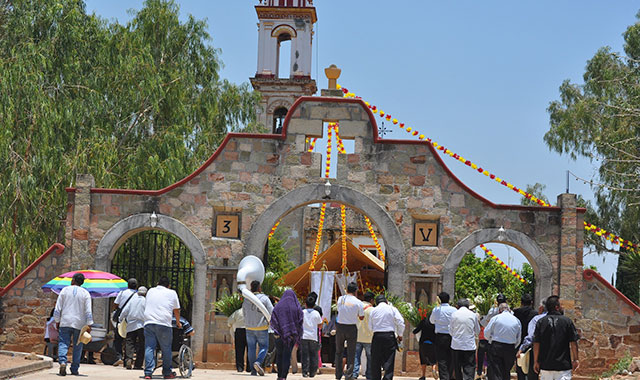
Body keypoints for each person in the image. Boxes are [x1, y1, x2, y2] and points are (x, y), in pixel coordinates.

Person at [54, 272, 93, 376]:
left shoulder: (64, 290)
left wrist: (57, 320)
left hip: (65, 321)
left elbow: (57, 308)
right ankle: (74, 368)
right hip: (79, 324)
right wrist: (89, 325)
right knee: (78, 345)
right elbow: (88, 311)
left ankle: (62, 362)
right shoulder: (85, 293)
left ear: (73, 280)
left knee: (63, 343)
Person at [143, 276, 181, 380]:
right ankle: (167, 373)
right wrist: (178, 322)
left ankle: (148, 373)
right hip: (164, 323)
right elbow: (176, 310)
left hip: (149, 322)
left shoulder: (150, 291)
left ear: (157, 283)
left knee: (149, 347)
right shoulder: (172, 293)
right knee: (166, 348)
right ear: (168, 286)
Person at [533, 296, 579, 380]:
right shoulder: (567, 321)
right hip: (563, 366)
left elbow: (536, 343)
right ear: (557, 307)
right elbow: (573, 342)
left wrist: (536, 361)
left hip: (546, 365)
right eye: (561, 305)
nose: (563, 307)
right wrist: (575, 359)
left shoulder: (541, 322)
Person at [368, 294, 405, 380]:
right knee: (389, 359)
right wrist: (400, 335)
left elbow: (370, 326)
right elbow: (401, 322)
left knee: (375, 360)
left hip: (377, 336)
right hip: (389, 336)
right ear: (386, 301)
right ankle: (387, 378)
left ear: (376, 303)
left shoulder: (373, 311)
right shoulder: (392, 309)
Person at [271, 289, 303, 380]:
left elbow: (273, 319)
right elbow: (300, 320)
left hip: (279, 336)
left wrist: (279, 330)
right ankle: (284, 376)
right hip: (291, 336)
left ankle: (279, 375)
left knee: (280, 354)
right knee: (287, 355)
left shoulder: (278, 306)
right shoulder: (296, 307)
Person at [244, 280, 274, 376]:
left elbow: (243, 312)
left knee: (251, 348)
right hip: (261, 326)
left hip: (249, 327)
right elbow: (271, 311)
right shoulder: (264, 298)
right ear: (259, 288)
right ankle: (258, 362)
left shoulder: (247, 298)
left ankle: (253, 370)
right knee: (264, 346)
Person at [335, 282, 364, 380]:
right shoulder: (359, 302)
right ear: (356, 291)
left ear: (347, 290)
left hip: (340, 326)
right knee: (351, 352)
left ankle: (338, 375)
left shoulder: (340, 299)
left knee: (339, 351)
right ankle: (349, 375)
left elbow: (340, 310)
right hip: (351, 327)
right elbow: (361, 317)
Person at [484, 303, 521, 380]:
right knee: (506, 370)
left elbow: (486, 333)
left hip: (496, 346)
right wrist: (513, 346)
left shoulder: (496, 318)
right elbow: (518, 338)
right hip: (510, 347)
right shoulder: (516, 320)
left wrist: (490, 341)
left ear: (499, 310)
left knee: (496, 371)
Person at [449, 298, 480, 380]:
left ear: (457, 306)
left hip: (456, 346)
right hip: (469, 346)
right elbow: (477, 330)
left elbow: (451, 331)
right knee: (469, 368)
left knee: (457, 368)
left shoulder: (454, 315)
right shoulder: (473, 315)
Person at [430, 291, 457, 380]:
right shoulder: (453, 310)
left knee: (441, 360)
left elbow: (431, 321)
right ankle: (450, 376)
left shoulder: (436, 309)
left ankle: (444, 378)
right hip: (451, 336)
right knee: (451, 358)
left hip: (440, 337)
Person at [119, 286, 147, 370]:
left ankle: (129, 359)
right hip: (142, 325)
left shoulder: (132, 301)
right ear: (145, 294)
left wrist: (120, 319)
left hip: (131, 325)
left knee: (129, 343)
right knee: (142, 344)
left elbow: (124, 311)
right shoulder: (146, 301)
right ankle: (138, 364)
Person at [517, 301, 547, 380]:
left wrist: (521, 349)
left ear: (541, 308)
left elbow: (531, 337)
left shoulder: (537, 319)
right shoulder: (562, 319)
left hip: (537, 351)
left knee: (533, 374)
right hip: (554, 352)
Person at [113, 278, 138, 367]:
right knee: (130, 340)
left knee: (118, 339)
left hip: (122, 318)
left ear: (128, 285)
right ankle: (127, 359)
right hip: (132, 319)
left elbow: (116, 304)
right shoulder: (137, 295)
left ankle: (119, 357)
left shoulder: (122, 293)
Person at [513, 294, 538, 380]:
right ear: (531, 302)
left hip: (519, 343)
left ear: (521, 303)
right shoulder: (535, 314)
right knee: (531, 368)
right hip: (532, 344)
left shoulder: (516, 313)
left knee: (520, 367)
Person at [354, 291, 374, 380]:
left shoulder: (357, 306)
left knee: (355, 357)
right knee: (370, 358)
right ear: (372, 300)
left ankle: (354, 374)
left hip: (357, 336)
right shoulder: (372, 310)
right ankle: (369, 375)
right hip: (369, 337)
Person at [301, 296, 323, 378]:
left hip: (304, 336)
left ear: (305, 304)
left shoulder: (302, 312)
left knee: (304, 355)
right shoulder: (316, 313)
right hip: (313, 336)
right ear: (314, 305)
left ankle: (304, 371)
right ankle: (312, 372)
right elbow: (320, 325)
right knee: (313, 355)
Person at [412, 307, 437, 380]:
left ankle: (423, 376)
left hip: (423, 343)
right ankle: (434, 369)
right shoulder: (435, 323)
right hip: (432, 343)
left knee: (423, 360)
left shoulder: (424, 321)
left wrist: (414, 330)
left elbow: (416, 331)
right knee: (433, 359)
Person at [228, 308, 251, 372]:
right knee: (250, 350)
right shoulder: (251, 312)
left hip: (239, 331)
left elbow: (230, 321)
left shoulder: (237, 312)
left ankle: (240, 368)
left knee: (239, 350)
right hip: (250, 331)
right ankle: (249, 368)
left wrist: (230, 325)